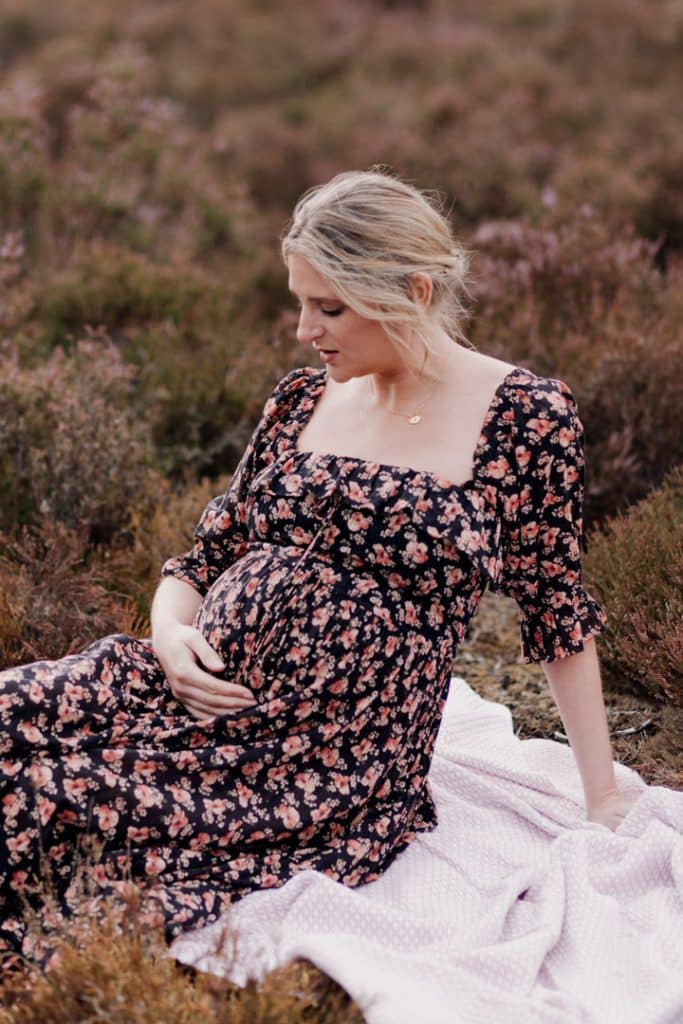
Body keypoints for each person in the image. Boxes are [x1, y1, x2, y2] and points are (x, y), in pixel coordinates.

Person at [0, 169, 636, 963]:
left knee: (49, 800)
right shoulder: (301, 399)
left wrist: (602, 794)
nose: (304, 329)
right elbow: (203, 557)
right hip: (184, 686)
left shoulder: (523, 416)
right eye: (300, 301)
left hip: (320, 752)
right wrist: (168, 636)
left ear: (411, 289)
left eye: (327, 306)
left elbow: (555, 615)